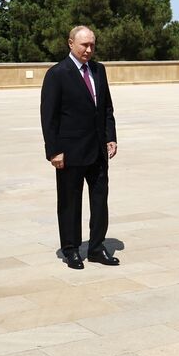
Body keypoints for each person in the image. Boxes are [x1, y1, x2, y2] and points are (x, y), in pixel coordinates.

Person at [40, 26, 118, 270]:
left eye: (92, 45)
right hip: (70, 152)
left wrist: (111, 137)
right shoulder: (57, 74)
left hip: (97, 151)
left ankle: (96, 247)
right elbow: (48, 116)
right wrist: (53, 151)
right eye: (84, 45)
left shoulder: (99, 70)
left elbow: (106, 108)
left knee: (99, 201)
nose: (89, 49)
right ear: (71, 43)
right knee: (69, 203)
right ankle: (71, 249)